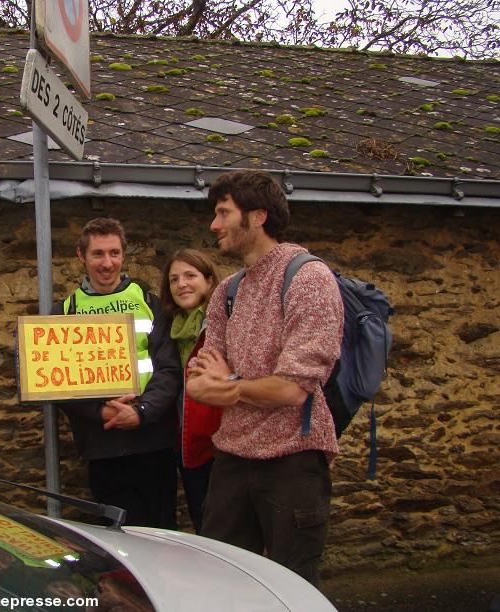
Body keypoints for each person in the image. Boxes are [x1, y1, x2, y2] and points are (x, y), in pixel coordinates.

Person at [187, 170, 343, 585]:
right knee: (223, 584)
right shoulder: (227, 291)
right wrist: (244, 386)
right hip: (231, 461)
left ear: (257, 217)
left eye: (223, 213)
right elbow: (197, 382)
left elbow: (292, 389)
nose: (213, 225)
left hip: (292, 461)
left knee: (290, 589)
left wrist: (228, 385)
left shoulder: (308, 278)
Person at [52, 217, 181, 529]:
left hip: (152, 442)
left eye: (114, 253)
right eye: (98, 254)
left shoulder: (149, 302)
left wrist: (141, 411)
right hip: (103, 445)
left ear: (124, 256)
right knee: (117, 542)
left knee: (162, 536)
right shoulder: (65, 312)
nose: (107, 263)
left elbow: (168, 369)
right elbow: (54, 381)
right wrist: (100, 410)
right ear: (81, 257)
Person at [159, 248, 221, 534]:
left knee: (225, 532)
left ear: (209, 281)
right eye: (173, 280)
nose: (181, 284)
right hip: (187, 447)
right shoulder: (172, 330)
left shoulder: (221, 325)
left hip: (219, 448)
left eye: (190, 276)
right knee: (203, 524)